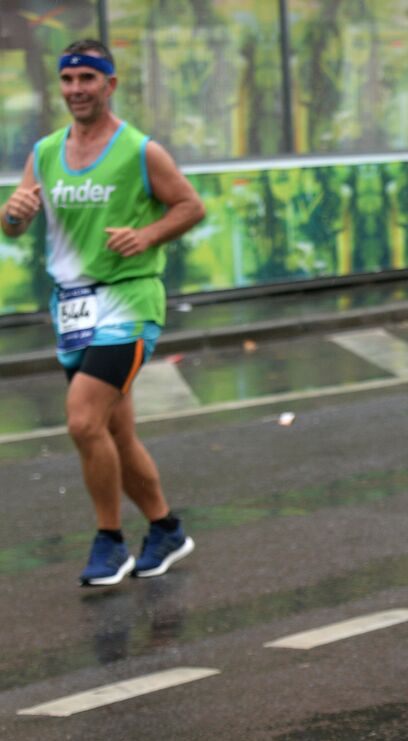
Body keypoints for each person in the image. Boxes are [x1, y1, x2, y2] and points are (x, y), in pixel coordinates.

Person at [2, 40, 204, 585]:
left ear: (109, 85)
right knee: (114, 434)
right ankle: (166, 529)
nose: (76, 90)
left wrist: (147, 235)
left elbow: (190, 204)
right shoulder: (45, 151)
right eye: (68, 81)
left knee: (81, 419)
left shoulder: (140, 150)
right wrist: (13, 215)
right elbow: (15, 222)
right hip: (72, 309)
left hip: (130, 301)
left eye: (88, 79)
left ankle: (110, 541)